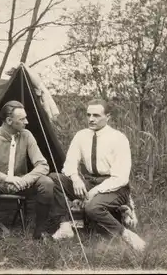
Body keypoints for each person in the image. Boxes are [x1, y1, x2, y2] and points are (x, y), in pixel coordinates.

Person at [48, 99, 146, 251]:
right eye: (88, 115)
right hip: (89, 182)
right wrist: (75, 178)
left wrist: (95, 191)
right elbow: (69, 164)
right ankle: (65, 226)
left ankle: (126, 234)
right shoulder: (81, 136)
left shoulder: (118, 138)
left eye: (96, 115)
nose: (91, 119)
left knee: (92, 208)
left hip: (115, 186)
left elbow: (120, 177)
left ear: (108, 117)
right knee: (54, 179)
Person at [0, 100, 54, 246]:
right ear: (9, 120)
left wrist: (26, 179)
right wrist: (5, 178)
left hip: (21, 183)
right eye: (22, 119)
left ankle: (39, 232)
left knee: (47, 183)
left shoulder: (27, 135)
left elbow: (43, 165)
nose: (26, 122)